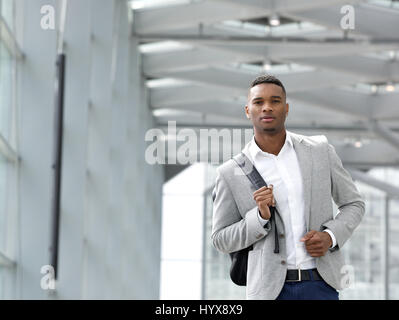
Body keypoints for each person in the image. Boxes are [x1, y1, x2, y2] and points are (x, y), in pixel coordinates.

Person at [211, 75, 365, 300]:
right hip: (269, 291)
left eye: (275, 101)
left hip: (320, 284)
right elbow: (220, 239)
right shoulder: (229, 173)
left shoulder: (320, 150)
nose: (267, 108)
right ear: (247, 110)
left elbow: (354, 204)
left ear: (286, 108)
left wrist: (330, 236)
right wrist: (260, 217)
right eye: (258, 102)